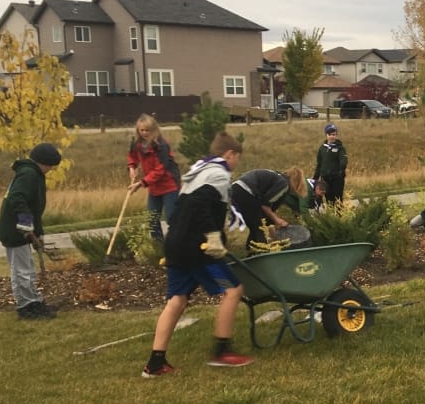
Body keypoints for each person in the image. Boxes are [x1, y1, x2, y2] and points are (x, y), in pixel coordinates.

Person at [143, 132, 253, 377]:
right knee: (233, 290)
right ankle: (222, 352)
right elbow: (200, 206)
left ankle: (155, 363)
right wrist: (213, 236)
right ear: (230, 154)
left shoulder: (197, 172)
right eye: (237, 158)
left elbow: (184, 209)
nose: (236, 164)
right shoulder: (217, 174)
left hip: (175, 244)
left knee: (177, 300)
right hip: (199, 249)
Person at [0, 142, 62, 320]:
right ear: (43, 163)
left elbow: (35, 207)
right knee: (21, 271)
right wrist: (25, 221)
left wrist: (39, 234)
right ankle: (25, 307)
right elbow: (16, 197)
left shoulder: (33, 174)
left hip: (23, 230)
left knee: (28, 269)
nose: (50, 170)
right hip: (14, 230)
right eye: (50, 166)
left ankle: (33, 301)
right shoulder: (28, 174)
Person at [126, 114, 181, 240]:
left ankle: (175, 243)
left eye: (147, 130)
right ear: (138, 130)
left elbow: (160, 169)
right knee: (152, 219)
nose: (144, 133)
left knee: (171, 217)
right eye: (142, 130)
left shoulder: (161, 145)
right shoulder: (137, 144)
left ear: (154, 130)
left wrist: (141, 184)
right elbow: (132, 156)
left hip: (169, 184)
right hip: (154, 186)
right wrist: (132, 167)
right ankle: (158, 246)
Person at [230, 167, 305, 246]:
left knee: (256, 226)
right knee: (259, 228)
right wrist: (277, 220)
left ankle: (252, 252)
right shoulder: (284, 184)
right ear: (297, 183)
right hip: (245, 192)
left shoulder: (278, 177)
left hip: (235, 189)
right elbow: (265, 206)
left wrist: (272, 223)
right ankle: (261, 253)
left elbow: (266, 211)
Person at [314, 123, 348, 204]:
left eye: (334, 134)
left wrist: (341, 169)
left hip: (337, 178)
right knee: (328, 199)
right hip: (325, 178)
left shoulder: (340, 148)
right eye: (330, 134)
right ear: (326, 135)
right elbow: (319, 164)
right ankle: (330, 215)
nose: (332, 136)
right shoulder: (322, 148)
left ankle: (339, 215)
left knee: (338, 199)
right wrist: (315, 179)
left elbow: (343, 159)